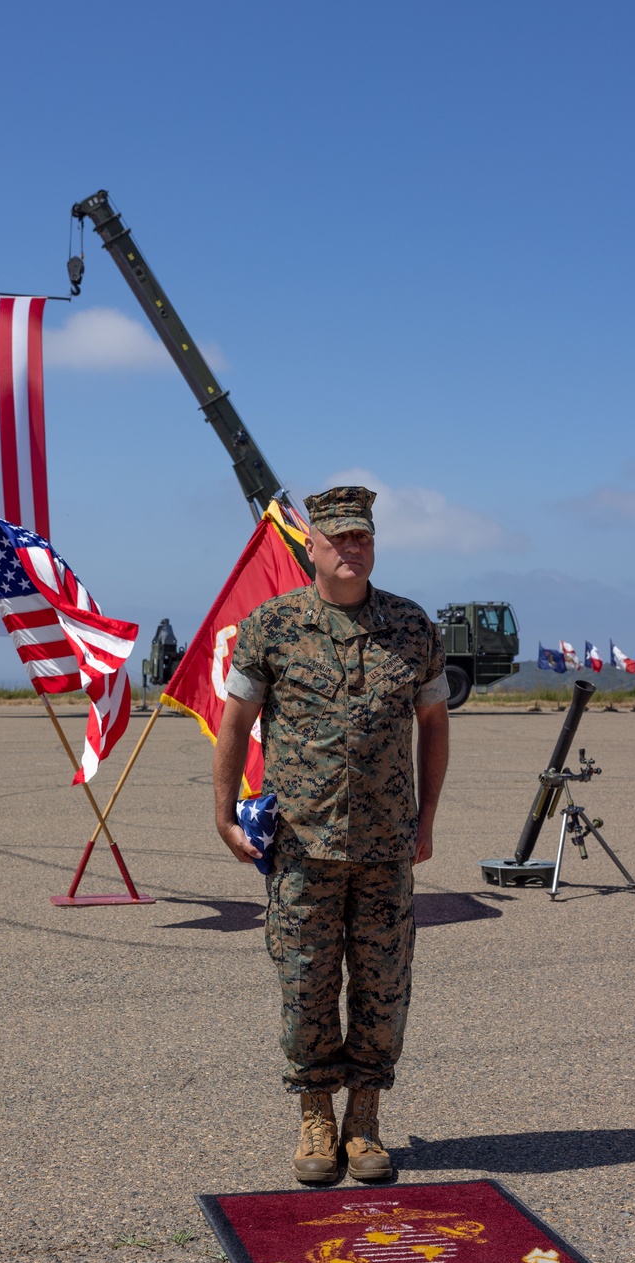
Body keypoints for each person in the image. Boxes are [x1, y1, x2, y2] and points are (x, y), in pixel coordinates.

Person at [213, 485, 449, 1184]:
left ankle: (365, 1118)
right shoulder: (272, 627)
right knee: (307, 986)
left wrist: (427, 820)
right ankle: (316, 1115)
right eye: (339, 538)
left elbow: (434, 726)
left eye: (363, 538)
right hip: (302, 850)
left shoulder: (411, 628)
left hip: (385, 849)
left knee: (383, 988)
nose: (352, 549)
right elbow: (233, 724)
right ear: (311, 545)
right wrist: (224, 815)